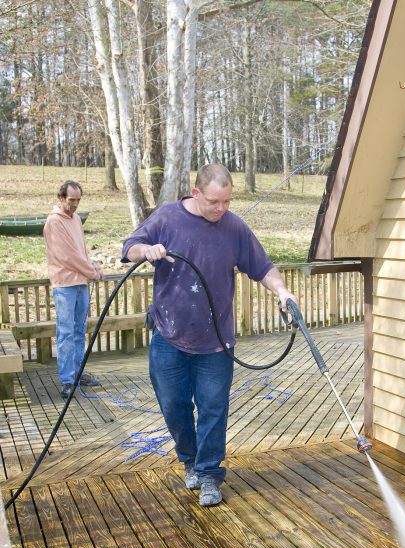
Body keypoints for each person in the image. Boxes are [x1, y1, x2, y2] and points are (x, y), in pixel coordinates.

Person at [121, 164, 297, 507]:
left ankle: (209, 474)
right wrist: (147, 251)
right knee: (174, 406)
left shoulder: (233, 227)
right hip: (169, 335)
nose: (222, 209)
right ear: (196, 193)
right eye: (215, 201)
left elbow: (262, 267)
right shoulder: (168, 218)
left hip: (216, 342)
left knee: (214, 408)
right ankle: (189, 460)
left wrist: (282, 291)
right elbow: (130, 245)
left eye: (228, 201)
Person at [43, 180, 104, 399]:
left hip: (81, 284)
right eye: (71, 200)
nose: (75, 204)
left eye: (78, 200)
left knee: (79, 331)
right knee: (66, 333)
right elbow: (67, 257)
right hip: (65, 285)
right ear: (61, 198)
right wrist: (92, 272)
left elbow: (81, 250)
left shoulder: (76, 219)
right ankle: (67, 380)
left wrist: (92, 265)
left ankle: (78, 372)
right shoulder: (54, 222)